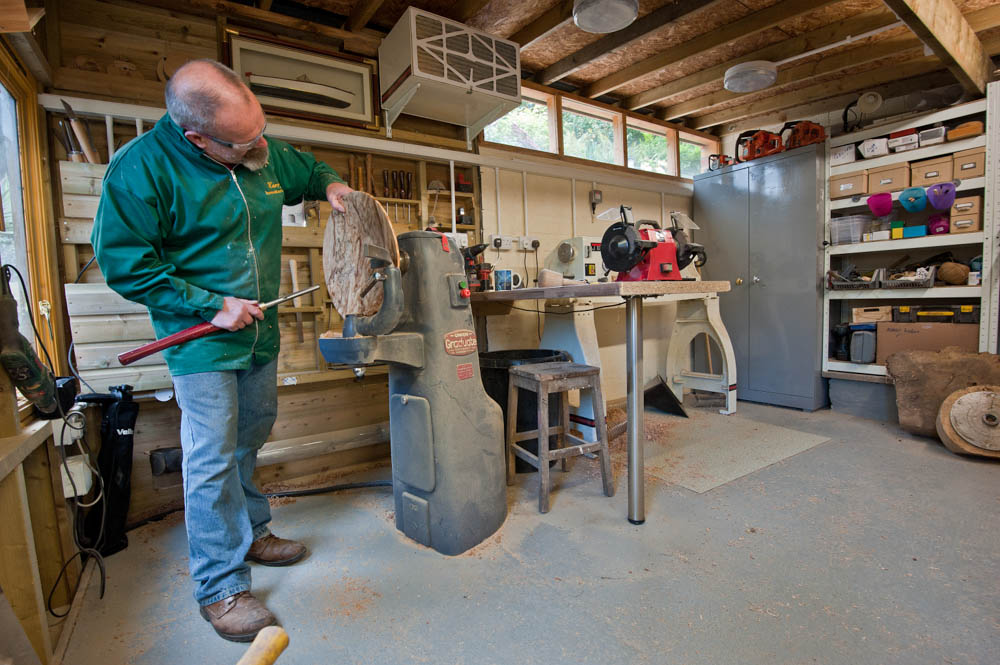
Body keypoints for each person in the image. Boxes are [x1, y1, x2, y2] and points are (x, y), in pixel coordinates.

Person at [91, 59, 353, 642]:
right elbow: (126, 266)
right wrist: (209, 304)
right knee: (211, 456)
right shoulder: (141, 171)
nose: (259, 148)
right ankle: (220, 586)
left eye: (260, 132)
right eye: (242, 142)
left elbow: (308, 169)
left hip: (260, 332)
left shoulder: (256, 148)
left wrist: (333, 187)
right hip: (204, 341)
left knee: (249, 436)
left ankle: (252, 532)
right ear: (197, 138)